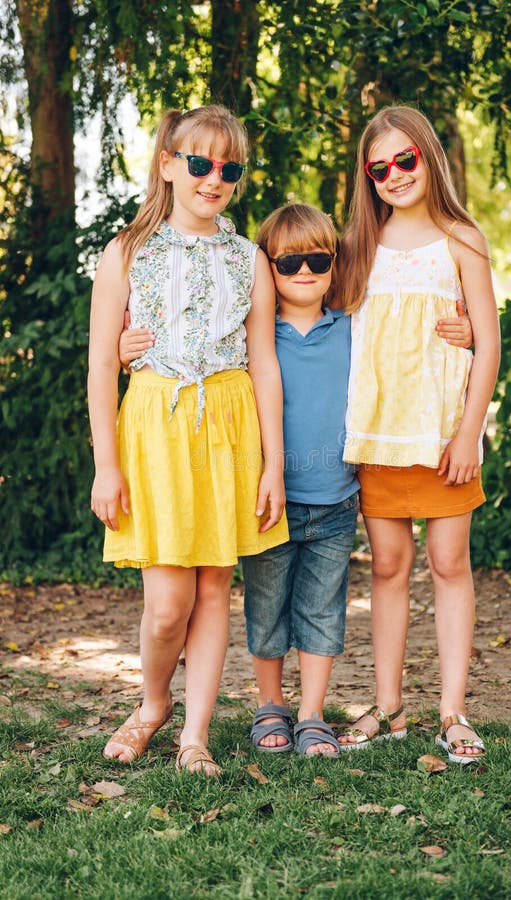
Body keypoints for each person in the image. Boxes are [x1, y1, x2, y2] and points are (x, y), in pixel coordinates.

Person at [120, 202, 473, 758]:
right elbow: (191, 343)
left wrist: (467, 326)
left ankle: (311, 713)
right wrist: (124, 351)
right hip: (269, 499)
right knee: (266, 610)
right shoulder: (247, 336)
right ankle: (270, 705)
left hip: (337, 498)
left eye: (318, 260)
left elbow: (408, 339)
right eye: (288, 264)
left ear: (336, 264)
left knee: (321, 609)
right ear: (267, 268)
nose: (304, 272)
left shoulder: (355, 325)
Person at [87, 105, 288, 777]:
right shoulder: (126, 252)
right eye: (200, 163)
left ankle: (193, 736)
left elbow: (263, 361)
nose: (215, 178)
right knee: (167, 603)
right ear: (168, 164)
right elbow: (98, 367)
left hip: (230, 429)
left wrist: (274, 466)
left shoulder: (247, 257)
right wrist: (105, 467)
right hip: (155, 426)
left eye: (229, 168)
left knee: (212, 591)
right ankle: (152, 704)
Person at [334, 106, 501, 763]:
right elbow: (316, 321)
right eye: (380, 168)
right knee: (388, 567)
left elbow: (485, 345)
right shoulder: (357, 247)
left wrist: (468, 433)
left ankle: (452, 712)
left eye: (406, 159)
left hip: (441, 437)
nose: (395, 174)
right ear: (367, 178)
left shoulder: (461, 238)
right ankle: (389, 707)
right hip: (379, 437)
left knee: (448, 564)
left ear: (428, 157)